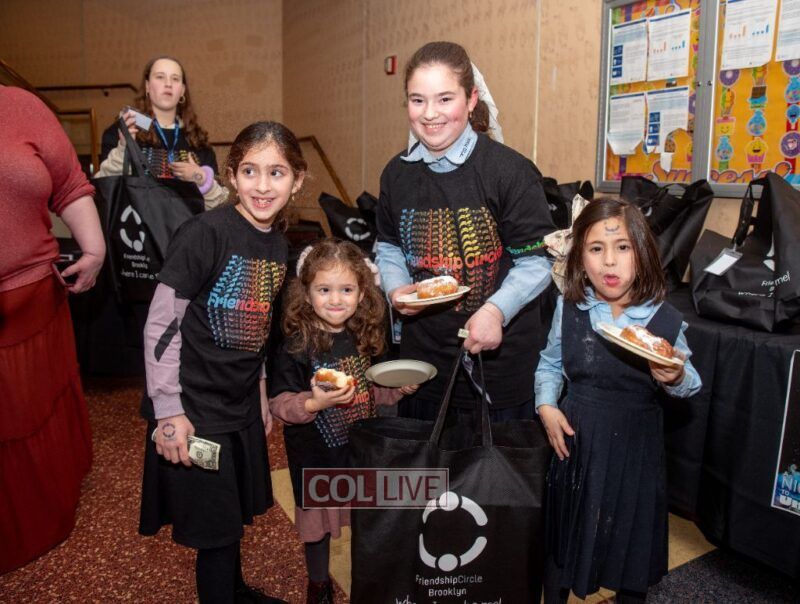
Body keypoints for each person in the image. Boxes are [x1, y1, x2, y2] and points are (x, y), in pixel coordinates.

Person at [139, 121, 306, 603]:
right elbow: (161, 325)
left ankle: (236, 590)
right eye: (250, 171)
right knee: (213, 528)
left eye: (277, 173)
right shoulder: (204, 234)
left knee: (231, 516)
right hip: (194, 407)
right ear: (231, 175)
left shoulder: (278, 244)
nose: (262, 186)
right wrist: (169, 411)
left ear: (297, 180)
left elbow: (259, 326)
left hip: (239, 404)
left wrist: (261, 393)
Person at [375, 41, 556, 421]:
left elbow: (537, 261)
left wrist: (495, 311)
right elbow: (389, 245)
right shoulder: (396, 173)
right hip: (423, 367)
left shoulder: (509, 171)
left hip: (496, 371)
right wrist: (396, 289)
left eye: (445, 99)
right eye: (418, 100)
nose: (430, 114)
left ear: (471, 99)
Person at [534, 198, 702, 603]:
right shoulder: (570, 307)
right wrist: (546, 406)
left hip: (635, 451)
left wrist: (675, 375)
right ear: (580, 257)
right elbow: (549, 364)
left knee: (629, 546)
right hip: (576, 445)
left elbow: (692, 381)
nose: (609, 262)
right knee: (563, 544)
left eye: (622, 247)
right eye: (596, 248)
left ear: (642, 254)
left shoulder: (663, 319)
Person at [269, 239, 418, 603]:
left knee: (365, 525)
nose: (335, 300)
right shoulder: (296, 344)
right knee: (317, 528)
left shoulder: (364, 336)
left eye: (346, 290)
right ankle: (319, 586)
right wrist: (312, 402)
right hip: (316, 459)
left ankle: (366, 583)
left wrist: (398, 389)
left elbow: (373, 391)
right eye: (324, 290)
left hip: (359, 455)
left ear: (362, 293)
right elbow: (280, 403)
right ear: (306, 293)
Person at [0, 85, 105, 573]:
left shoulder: (21, 105)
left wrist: (95, 250)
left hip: (31, 300)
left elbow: (68, 184)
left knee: (32, 412)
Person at [95, 55, 227, 209]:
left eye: (175, 79)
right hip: (137, 222)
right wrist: (124, 148)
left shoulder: (198, 140)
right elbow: (105, 190)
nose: (168, 84)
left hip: (189, 223)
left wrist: (201, 179)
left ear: (182, 90)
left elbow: (219, 206)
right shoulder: (124, 131)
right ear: (147, 86)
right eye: (160, 77)